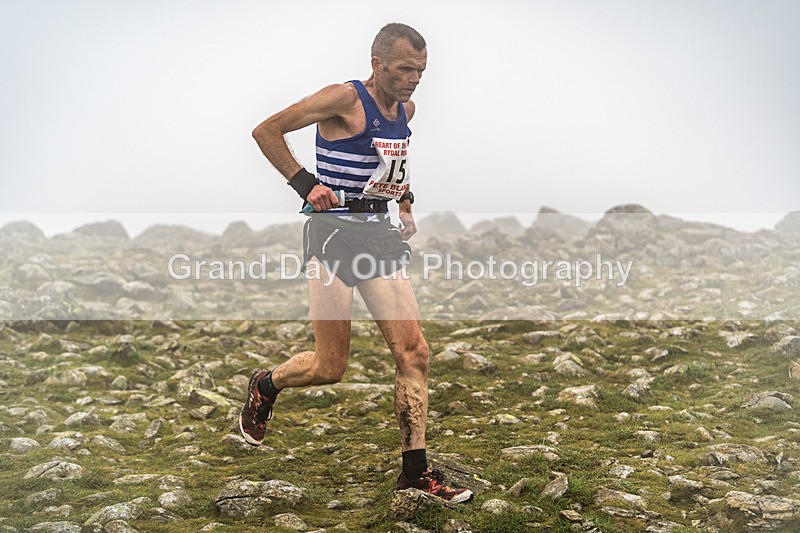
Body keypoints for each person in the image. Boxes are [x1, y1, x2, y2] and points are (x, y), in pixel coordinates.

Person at [238, 23, 473, 503]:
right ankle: (266, 384)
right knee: (330, 366)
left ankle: (415, 473)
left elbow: (390, 166)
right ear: (378, 64)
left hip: (378, 235)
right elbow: (267, 130)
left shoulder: (405, 110)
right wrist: (305, 184)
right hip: (331, 235)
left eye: (422, 71)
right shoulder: (343, 99)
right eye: (406, 69)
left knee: (415, 353)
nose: (415, 79)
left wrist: (405, 202)